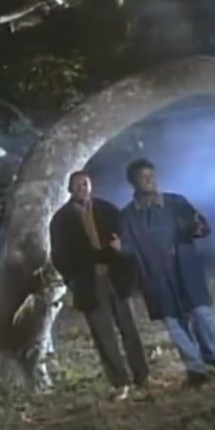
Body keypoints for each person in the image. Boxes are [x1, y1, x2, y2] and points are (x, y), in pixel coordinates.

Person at [112, 158, 215, 387]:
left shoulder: (176, 202)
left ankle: (214, 356)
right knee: (174, 323)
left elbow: (200, 226)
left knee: (201, 314)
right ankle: (195, 368)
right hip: (155, 275)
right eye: (143, 177)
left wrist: (197, 228)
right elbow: (129, 248)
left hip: (184, 267)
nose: (150, 180)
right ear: (133, 182)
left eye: (151, 175)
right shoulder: (128, 216)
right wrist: (120, 248)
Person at [49, 171, 149, 400]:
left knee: (129, 329)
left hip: (116, 279)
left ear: (91, 185)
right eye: (77, 185)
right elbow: (59, 256)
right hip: (88, 283)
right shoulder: (61, 220)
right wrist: (72, 280)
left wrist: (123, 260)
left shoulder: (108, 209)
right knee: (104, 336)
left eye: (85, 183)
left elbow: (125, 240)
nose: (82, 188)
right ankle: (120, 382)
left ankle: (142, 376)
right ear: (70, 189)